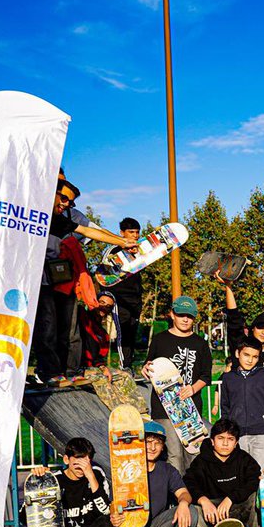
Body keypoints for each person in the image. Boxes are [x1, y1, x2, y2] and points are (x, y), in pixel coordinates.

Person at [32, 179, 133, 382]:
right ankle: (49, 372)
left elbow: (88, 230)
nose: (67, 204)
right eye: (64, 198)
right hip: (38, 280)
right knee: (47, 326)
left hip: (60, 280)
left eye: (71, 202)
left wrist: (123, 241)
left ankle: (71, 371)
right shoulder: (33, 212)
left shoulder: (60, 219)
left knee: (70, 329)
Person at [108, 421, 196, 527]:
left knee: (190, 510)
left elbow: (183, 493)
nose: (152, 447)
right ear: (139, 443)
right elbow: (114, 502)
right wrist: (114, 515)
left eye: (157, 443)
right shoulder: (126, 468)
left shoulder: (167, 470)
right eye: (148, 442)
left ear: (163, 447)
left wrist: (183, 504)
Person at [143, 295, 212, 474]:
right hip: (164, 408)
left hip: (190, 409)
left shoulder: (201, 343)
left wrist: (193, 388)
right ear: (172, 314)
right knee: (174, 455)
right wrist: (145, 369)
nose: (185, 319)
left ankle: (195, 493)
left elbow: (206, 375)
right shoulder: (159, 340)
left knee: (193, 453)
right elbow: (150, 365)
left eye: (189, 316)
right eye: (181, 314)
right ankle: (178, 496)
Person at [30, 437, 115, 527]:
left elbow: (105, 510)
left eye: (86, 462)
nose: (81, 468)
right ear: (66, 460)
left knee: (110, 522)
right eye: (76, 462)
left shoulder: (96, 474)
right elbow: (30, 518)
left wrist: (90, 477)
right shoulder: (54, 480)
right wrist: (39, 483)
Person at [184, 418, 263, 527]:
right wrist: (203, 500)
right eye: (220, 438)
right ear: (212, 441)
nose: (225, 443)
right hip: (212, 513)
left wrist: (231, 498)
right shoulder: (201, 461)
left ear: (236, 442)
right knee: (193, 509)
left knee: (255, 498)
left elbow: (254, 479)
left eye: (230, 439)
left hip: (236, 508)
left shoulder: (243, 458)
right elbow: (188, 482)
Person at [219, 338, 264, 469]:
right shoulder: (228, 378)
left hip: (262, 434)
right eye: (246, 355)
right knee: (240, 472)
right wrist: (226, 431)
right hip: (237, 434)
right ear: (237, 353)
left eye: (254, 357)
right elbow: (225, 406)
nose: (250, 360)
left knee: (259, 473)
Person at [106, 217, 144, 369]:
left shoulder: (141, 250)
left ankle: (129, 364)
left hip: (135, 297)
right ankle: (124, 366)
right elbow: (104, 274)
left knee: (132, 331)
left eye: (137, 232)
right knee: (123, 330)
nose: (135, 235)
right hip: (119, 297)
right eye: (131, 232)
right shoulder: (113, 250)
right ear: (122, 233)